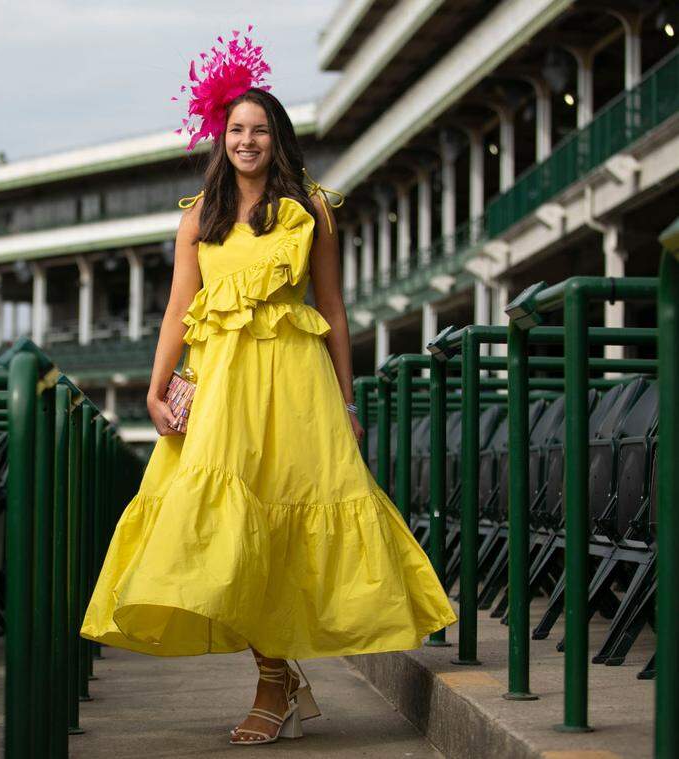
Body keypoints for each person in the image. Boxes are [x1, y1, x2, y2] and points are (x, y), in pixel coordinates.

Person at [79, 28, 457, 747]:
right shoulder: (200, 216)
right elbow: (176, 310)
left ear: (277, 138)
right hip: (220, 387)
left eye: (258, 129)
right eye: (236, 130)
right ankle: (275, 677)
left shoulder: (310, 209)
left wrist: (347, 400)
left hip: (296, 386)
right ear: (221, 140)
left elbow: (336, 313)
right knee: (228, 531)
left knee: (288, 522)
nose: (246, 140)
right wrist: (156, 389)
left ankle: (274, 682)